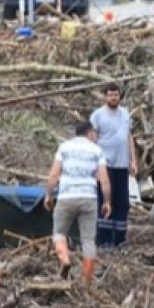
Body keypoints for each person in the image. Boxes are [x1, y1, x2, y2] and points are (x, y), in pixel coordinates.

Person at [44, 122, 111, 285]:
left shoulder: (64, 148)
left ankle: (65, 259)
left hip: (67, 196)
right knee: (88, 240)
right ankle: (86, 283)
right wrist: (107, 201)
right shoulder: (97, 150)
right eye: (94, 133)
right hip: (88, 198)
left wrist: (48, 195)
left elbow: (54, 174)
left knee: (59, 233)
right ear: (89, 133)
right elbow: (104, 179)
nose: (95, 136)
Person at [91, 83, 137, 250]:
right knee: (104, 200)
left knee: (122, 201)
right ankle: (104, 240)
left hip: (122, 164)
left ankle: (119, 238)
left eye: (116, 95)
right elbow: (93, 140)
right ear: (105, 96)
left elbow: (129, 137)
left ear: (120, 96)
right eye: (110, 95)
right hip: (105, 165)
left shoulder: (125, 114)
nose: (113, 98)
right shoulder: (97, 116)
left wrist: (133, 160)